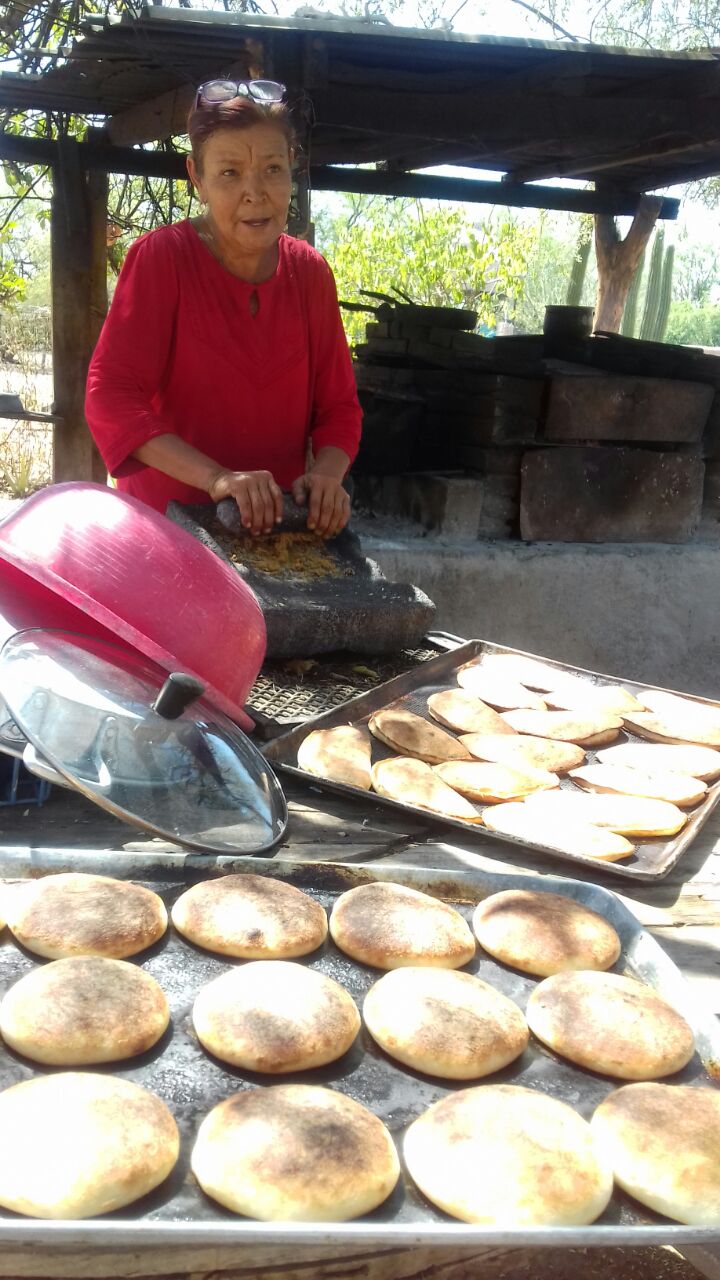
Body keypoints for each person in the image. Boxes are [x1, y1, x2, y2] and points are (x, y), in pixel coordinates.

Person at [85, 79, 362, 539]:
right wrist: (218, 479)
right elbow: (110, 398)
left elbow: (339, 409)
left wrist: (328, 475)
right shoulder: (162, 259)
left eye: (273, 169)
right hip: (162, 537)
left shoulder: (310, 273)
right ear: (197, 178)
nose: (255, 193)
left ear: (293, 168)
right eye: (230, 173)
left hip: (270, 542)